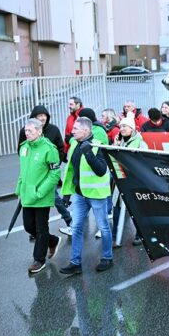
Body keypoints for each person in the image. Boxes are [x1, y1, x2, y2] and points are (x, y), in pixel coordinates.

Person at [59, 117, 114, 275]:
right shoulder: (74, 145)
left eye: (76, 129)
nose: (72, 131)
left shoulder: (97, 145)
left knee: (103, 227)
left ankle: (107, 257)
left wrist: (89, 152)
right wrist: (67, 194)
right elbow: (71, 171)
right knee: (76, 227)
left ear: (86, 130)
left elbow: (101, 170)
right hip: (79, 194)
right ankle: (75, 262)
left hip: (96, 194)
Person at [17, 105, 73, 234]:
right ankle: (37, 231)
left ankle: (68, 220)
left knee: (54, 199)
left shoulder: (53, 130)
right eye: (39, 116)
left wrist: (55, 163)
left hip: (48, 173)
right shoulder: (25, 131)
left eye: (44, 115)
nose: (42, 118)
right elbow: (21, 149)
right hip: (32, 173)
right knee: (33, 209)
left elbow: (60, 148)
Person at [16, 119, 62, 274]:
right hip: (27, 195)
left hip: (41, 196)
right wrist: (19, 191)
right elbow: (23, 172)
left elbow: (55, 174)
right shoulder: (24, 148)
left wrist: (40, 192)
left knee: (41, 228)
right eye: (25, 130)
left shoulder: (49, 149)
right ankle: (53, 240)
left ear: (39, 131)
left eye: (30, 131)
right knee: (29, 226)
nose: (26, 133)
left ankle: (39, 259)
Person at [112, 113, 149, 246]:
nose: (122, 129)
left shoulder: (140, 143)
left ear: (132, 129)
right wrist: (115, 145)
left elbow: (144, 162)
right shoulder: (119, 142)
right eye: (121, 126)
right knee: (116, 210)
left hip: (134, 183)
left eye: (125, 126)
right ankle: (115, 236)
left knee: (137, 211)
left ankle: (140, 235)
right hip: (120, 182)